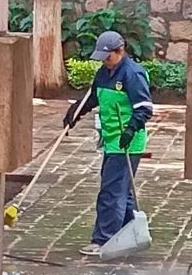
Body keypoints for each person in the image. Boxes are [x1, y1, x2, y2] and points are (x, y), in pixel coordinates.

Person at [63, 31, 154, 257]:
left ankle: (103, 240)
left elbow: (145, 108)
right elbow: (92, 97)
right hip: (112, 139)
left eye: (108, 57)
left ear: (120, 51)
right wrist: (75, 112)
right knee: (123, 189)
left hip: (127, 142)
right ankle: (129, 232)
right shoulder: (104, 73)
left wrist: (131, 129)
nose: (105, 61)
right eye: (102, 57)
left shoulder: (133, 74)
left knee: (111, 191)